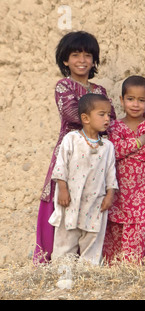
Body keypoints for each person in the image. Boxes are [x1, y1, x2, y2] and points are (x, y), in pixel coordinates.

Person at [33, 31, 116, 265]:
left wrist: (102, 119)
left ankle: (87, 263)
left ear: (94, 60)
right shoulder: (64, 86)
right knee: (63, 199)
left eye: (88, 55)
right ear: (65, 60)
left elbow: (111, 118)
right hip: (70, 153)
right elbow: (71, 114)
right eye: (75, 54)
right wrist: (99, 118)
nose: (82, 60)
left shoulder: (99, 91)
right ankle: (53, 262)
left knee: (91, 200)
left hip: (97, 157)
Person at [48, 93, 118, 265]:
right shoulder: (71, 139)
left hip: (95, 202)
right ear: (86, 118)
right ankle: (63, 273)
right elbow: (60, 166)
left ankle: (88, 274)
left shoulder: (107, 146)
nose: (107, 119)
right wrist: (62, 189)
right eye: (101, 114)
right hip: (71, 200)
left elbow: (111, 172)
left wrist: (110, 195)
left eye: (108, 115)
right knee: (66, 237)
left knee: (93, 238)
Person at [102, 76, 145, 264]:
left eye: (141, 100)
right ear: (121, 100)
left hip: (141, 197)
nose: (135, 104)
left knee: (135, 242)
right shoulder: (114, 126)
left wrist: (125, 149)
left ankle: (132, 274)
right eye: (130, 99)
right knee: (113, 242)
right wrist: (137, 143)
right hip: (117, 195)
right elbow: (113, 151)